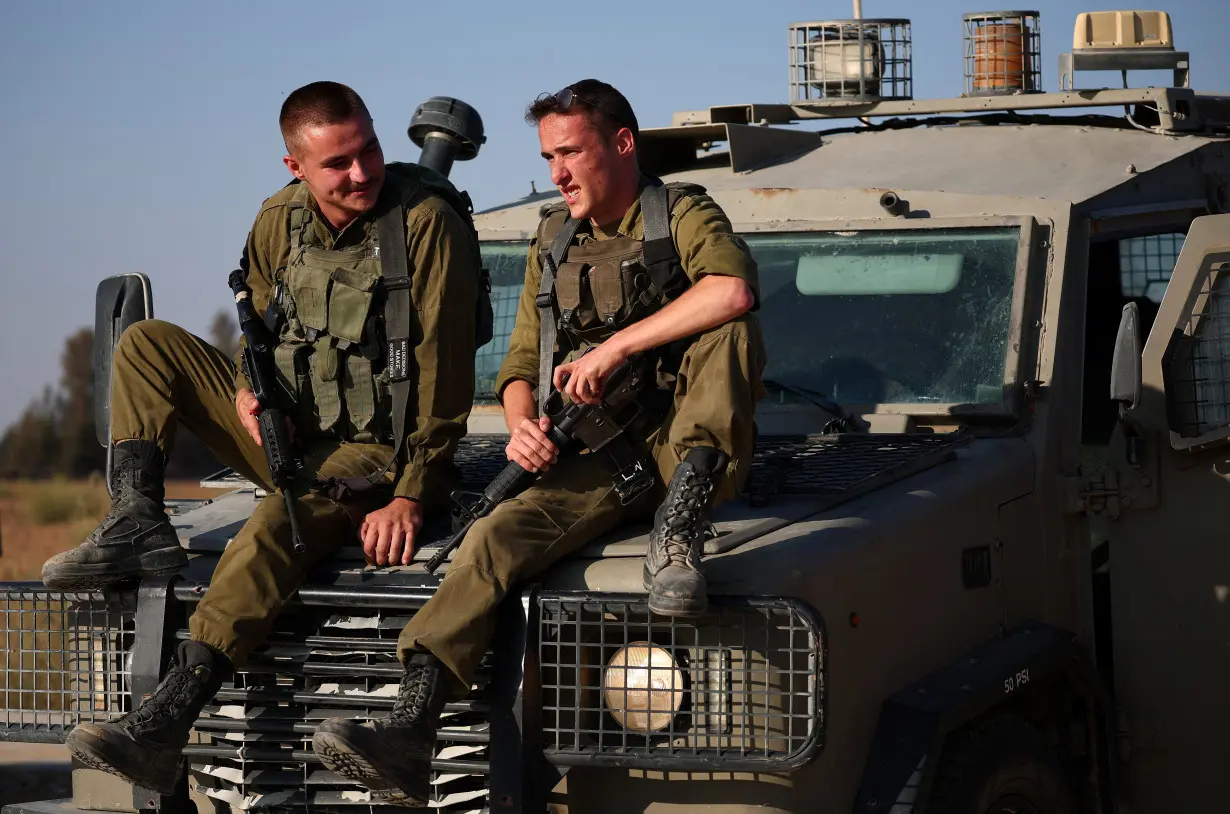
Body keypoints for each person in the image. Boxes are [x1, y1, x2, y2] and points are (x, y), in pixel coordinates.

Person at [310, 78, 766, 805]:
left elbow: (733, 293)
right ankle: (411, 729)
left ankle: (677, 535)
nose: (556, 171)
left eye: (570, 152)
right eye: (548, 155)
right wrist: (523, 424)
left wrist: (614, 349)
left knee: (727, 330)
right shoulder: (553, 237)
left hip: (688, 453)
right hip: (596, 454)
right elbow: (521, 366)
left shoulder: (680, 213)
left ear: (622, 145)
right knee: (493, 537)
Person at [46, 81, 483, 798]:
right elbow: (263, 323)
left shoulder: (428, 225)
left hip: (375, 448)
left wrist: (412, 493)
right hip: (288, 430)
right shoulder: (279, 220)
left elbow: (443, 384)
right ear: (295, 167)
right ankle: (138, 517)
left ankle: (165, 721)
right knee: (149, 345)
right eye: (337, 162)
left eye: (368, 150)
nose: (362, 172)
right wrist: (253, 393)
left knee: (270, 527)